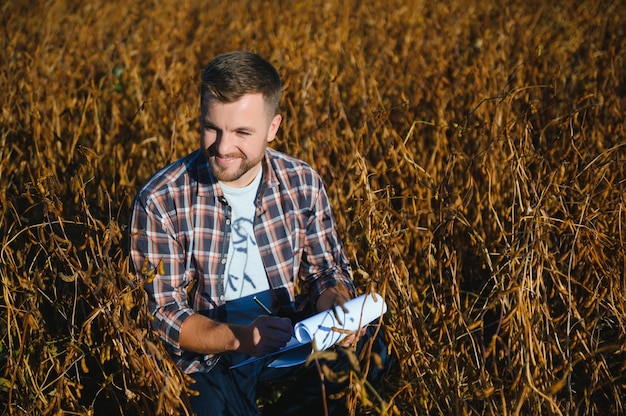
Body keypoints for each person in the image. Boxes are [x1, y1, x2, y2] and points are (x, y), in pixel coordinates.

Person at [129, 51, 389, 416]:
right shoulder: (161, 198)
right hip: (212, 346)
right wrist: (240, 337)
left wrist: (336, 305)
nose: (222, 147)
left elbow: (325, 271)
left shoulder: (301, 182)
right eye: (211, 128)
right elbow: (164, 314)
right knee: (208, 404)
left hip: (284, 327)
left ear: (273, 128)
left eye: (241, 133)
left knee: (372, 349)